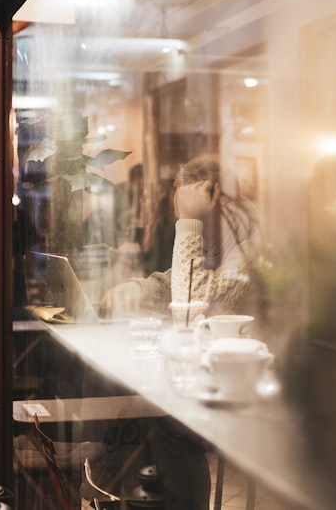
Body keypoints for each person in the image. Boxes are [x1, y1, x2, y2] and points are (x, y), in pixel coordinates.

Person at [99, 154, 263, 510]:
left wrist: (189, 222)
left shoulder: (247, 243)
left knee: (166, 421)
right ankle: (109, 489)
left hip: (249, 391)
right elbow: (183, 280)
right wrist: (139, 288)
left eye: (190, 204)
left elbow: (190, 304)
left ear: (213, 194)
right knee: (126, 395)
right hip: (215, 371)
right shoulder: (226, 233)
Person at [99, 154, 263, 320]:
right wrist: (138, 289)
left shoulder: (252, 247)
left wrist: (189, 220)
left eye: (199, 216)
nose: (195, 230)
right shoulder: (224, 239)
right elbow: (178, 283)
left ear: (223, 203)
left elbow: (192, 310)